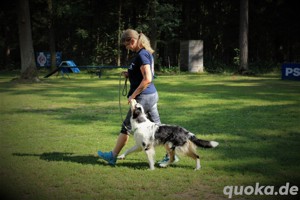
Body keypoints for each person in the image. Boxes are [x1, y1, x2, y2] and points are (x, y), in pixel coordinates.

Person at [97, 29, 178, 166]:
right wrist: (130, 74)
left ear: (132, 41)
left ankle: (112, 156)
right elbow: (142, 74)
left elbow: (147, 78)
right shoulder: (144, 53)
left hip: (143, 97)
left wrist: (133, 96)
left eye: (127, 45)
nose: (127, 48)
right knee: (158, 129)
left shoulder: (142, 55)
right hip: (151, 95)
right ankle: (171, 156)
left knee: (126, 127)